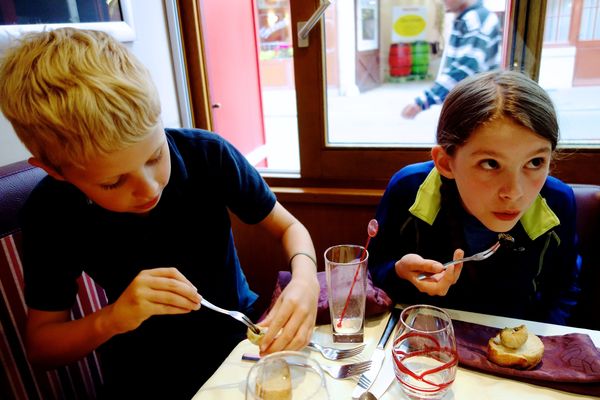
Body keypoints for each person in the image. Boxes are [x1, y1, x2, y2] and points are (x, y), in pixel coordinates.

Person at [0, 28, 320, 399]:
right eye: (113, 182)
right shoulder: (51, 211)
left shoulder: (207, 155)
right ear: (56, 172)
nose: (149, 187)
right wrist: (114, 317)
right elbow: (42, 347)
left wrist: (306, 279)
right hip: (145, 375)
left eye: (155, 156)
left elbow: (289, 227)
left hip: (240, 345)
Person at [369, 70, 580, 325]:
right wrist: (398, 273)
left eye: (535, 162)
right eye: (490, 164)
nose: (514, 192)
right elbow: (376, 269)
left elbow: (564, 290)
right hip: (427, 339)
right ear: (446, 162)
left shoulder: (557, 202)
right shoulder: (410, 189)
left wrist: (539, 342)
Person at [401, 0, 501, 119]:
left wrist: (423, 102)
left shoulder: (475, 19)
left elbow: (465, 69)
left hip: (474, 107)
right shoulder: (467, 18)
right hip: (470, 104)